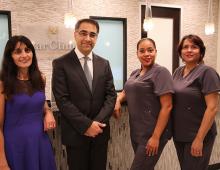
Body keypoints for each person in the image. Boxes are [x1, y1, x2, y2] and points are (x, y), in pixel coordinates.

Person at [52, 18, 116, 170]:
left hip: (100, 133)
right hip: (76, 134)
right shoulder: (61, 63)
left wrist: (96, 124)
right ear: (75, 34)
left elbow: (111, 95)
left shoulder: (104, 63)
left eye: (92, 35)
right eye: (83, 33)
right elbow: (62, 100)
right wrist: (87, 125)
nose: (88, 39)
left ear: (97, 38)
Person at [114, 38, 173, 170]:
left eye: (150, 50)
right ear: (137, 54)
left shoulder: (161, 72)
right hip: (137, 132)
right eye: (142, 51)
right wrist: (118, 100)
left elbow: (167, 106)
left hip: (152, 133)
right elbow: (125, 91)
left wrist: (156, 137)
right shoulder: (135, 73)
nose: (147, 54)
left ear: (156, 52)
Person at [0, 35, 56, 170]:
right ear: (10, 57)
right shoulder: (3, 84)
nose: (24, 55)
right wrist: (2, 161)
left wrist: (48, 112)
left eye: (27, 50)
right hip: (15, 145)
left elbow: (41, 104)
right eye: (18, 51)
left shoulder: (41, 78)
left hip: (40, 143)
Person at [172, 34, 220, 170]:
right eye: (185, 47)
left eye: (194, 47)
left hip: (199, 135)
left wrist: (199, 139)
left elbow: (212, 108)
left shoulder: (207, 72)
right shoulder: (177, 72)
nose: (189, 50)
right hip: (180, 134)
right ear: (180, 52)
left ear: (201, 51)